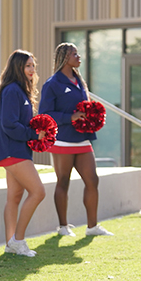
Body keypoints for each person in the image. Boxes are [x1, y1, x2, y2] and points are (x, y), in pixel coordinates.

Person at [38, 42, 113, 237]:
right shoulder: (52, 83)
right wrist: (69, 117)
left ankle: (92, 227)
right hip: (63, 140)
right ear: (64, 57)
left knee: (92, 180)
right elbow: (44, 114)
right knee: (63, 181)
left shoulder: (79, 81)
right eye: (74, 54)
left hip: (82, 140)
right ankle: (63, 227)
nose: (78, 57)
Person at [0, 50, 46, 257]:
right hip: (12, 151)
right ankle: (18, 240)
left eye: (33, 65)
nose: (32, 69)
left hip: (17, 150)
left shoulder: (21, 91)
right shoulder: (12, 90)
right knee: (38, 192)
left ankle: (10, 243)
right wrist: (34, 134)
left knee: (14, 196)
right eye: (27, 66)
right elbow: (9, 125)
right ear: (18, 68)